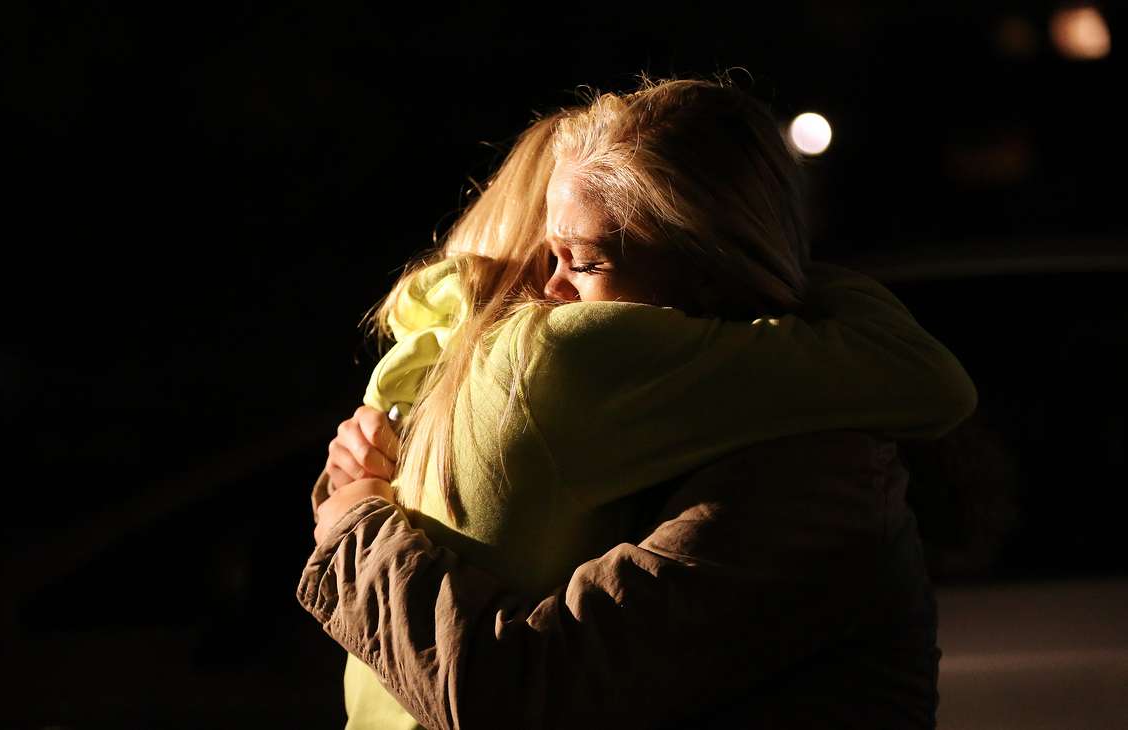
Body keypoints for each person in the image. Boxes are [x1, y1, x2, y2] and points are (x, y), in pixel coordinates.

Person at [299, 74, 976, 729]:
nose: (547, 298)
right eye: (548, 260)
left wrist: (358, 524)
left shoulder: (807, 478)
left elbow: (515, 689)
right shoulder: (686, 421)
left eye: (585, 263)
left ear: (708, 276)